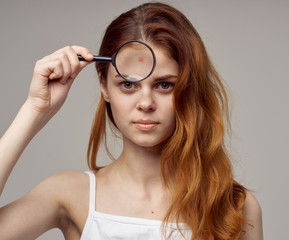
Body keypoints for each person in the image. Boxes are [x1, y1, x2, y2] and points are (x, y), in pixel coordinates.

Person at [0, 2, 262, 240]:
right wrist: (34, 111)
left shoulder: (235, 206)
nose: (146, 103)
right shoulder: (69, 194)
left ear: (189, 88)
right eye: (127, 84)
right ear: (104, 87)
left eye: (164, 85)